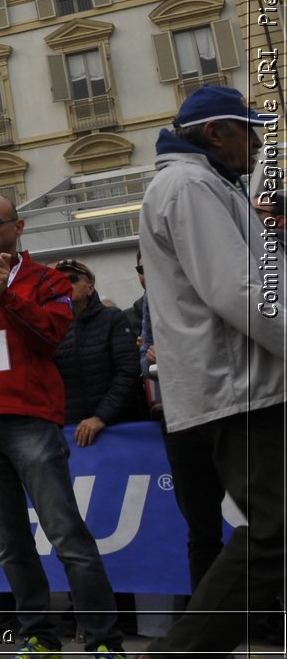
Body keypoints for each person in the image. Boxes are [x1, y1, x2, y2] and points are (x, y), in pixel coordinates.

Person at [0, 195, 125, 657]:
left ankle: (102, 642)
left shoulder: (48, 280)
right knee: (12, 542)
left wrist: (7, 297)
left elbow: (52, 335)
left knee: (66, 535)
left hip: (30, 418)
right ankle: (39, 636)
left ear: (19, 227)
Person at [138, 84, 284, 656]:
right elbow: (240, 291)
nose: (258, 140)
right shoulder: (191, 185)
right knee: (276, 532)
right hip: (243, 389)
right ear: (215, 133)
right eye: (249, 129)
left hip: (244, 384)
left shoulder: (205, 184)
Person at [52, 259, 142, 445]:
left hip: (118, 428)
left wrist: (100, 417)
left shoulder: (113, 318)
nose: (65, 285)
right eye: (58, 281)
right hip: (72, 432)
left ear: (90, 288)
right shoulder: (53, 325)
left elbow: (128, 371)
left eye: (73, 279)